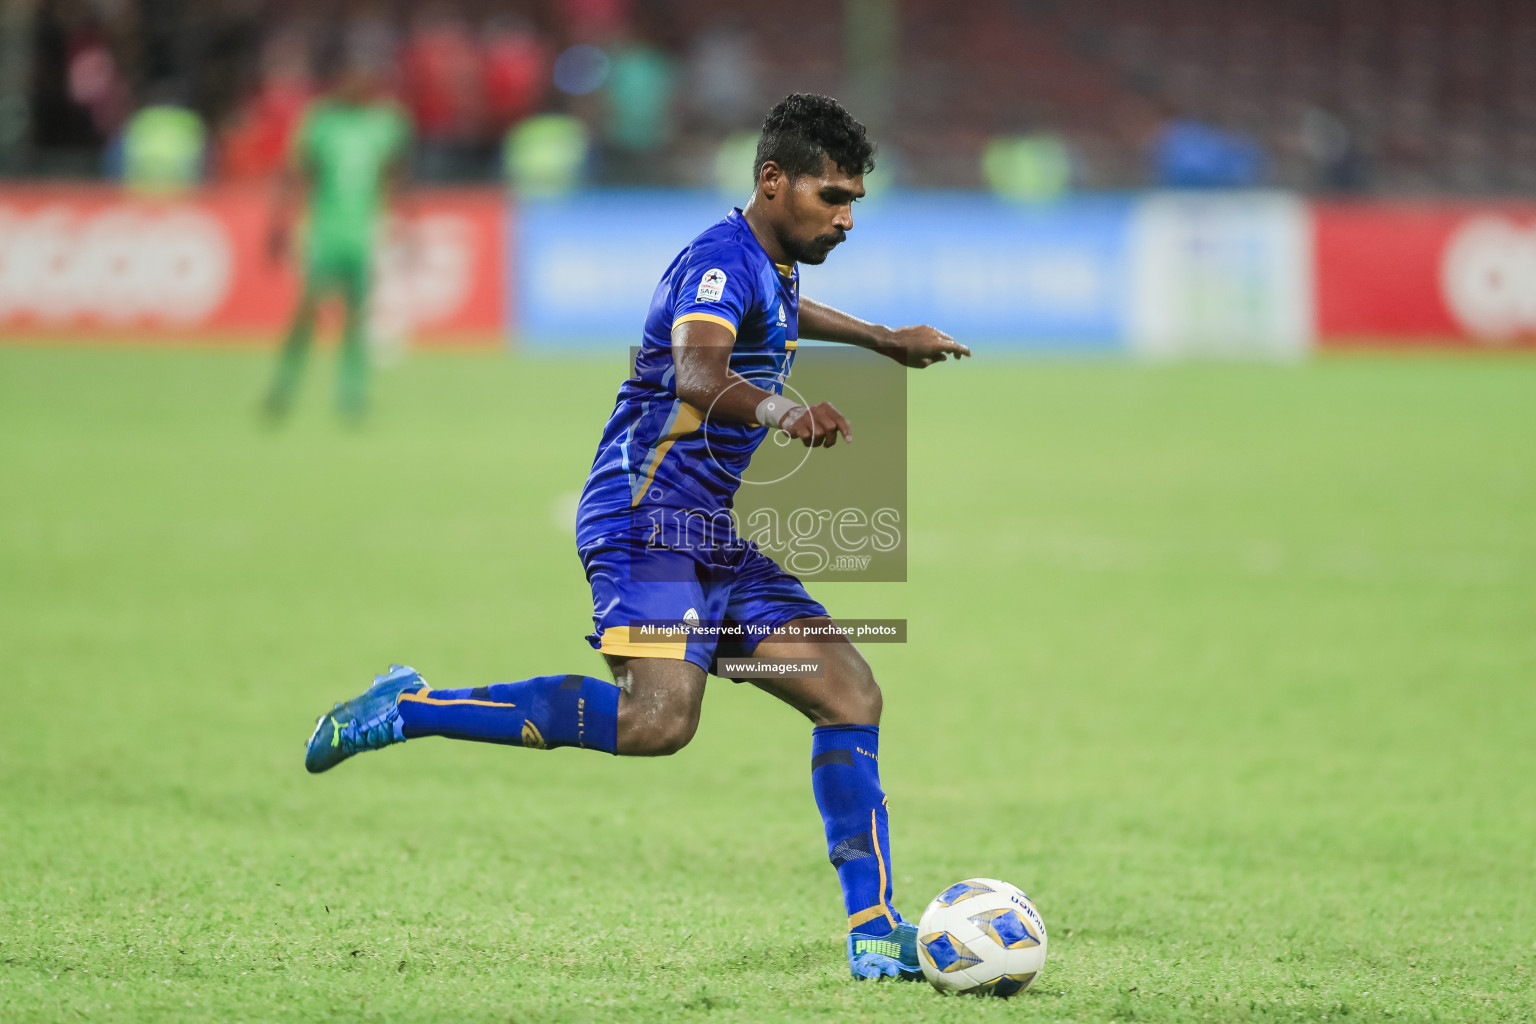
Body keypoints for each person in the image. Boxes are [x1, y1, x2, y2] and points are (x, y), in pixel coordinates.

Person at [303, 94, 971, 979]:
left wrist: (884, 340)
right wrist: (781, 408)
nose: (846, 218)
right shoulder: (716, 263)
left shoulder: (770, 261)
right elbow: (698, 368)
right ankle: (409, 707)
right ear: (773, 182)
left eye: (854, 201)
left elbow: (782, 311)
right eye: (832, 196)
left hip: (707, 530)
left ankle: (875, 928)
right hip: (641, 516)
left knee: (849, 692)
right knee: (658, 721)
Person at [264, 58, 412, 420]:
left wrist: (404, 224)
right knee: (306, 315)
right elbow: (299, 173)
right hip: (325, 233)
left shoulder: (386, 124)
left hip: (362, 236)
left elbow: (395, 178)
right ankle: (283, 388)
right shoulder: (321, 123)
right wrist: (279, 223)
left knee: (357, 320)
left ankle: (352, 396)